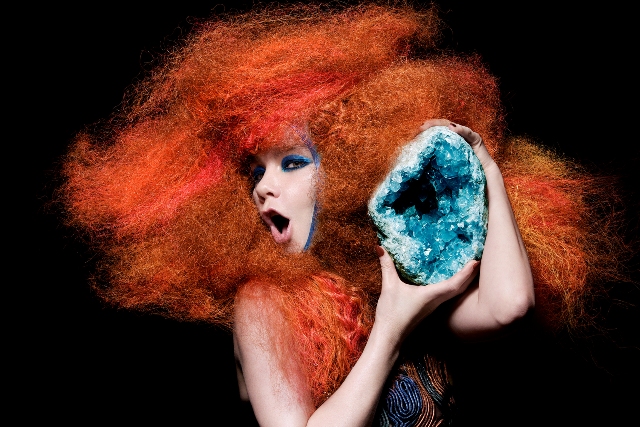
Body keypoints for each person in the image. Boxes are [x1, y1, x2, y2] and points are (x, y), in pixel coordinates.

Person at [60, 4, 622, 426]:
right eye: (255, 172)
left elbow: (509, 306)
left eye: (292, 163)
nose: (264, 188)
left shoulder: (387, 275)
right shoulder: (262, 303)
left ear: (348, 168)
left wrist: (484, 167)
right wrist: (392, 330)